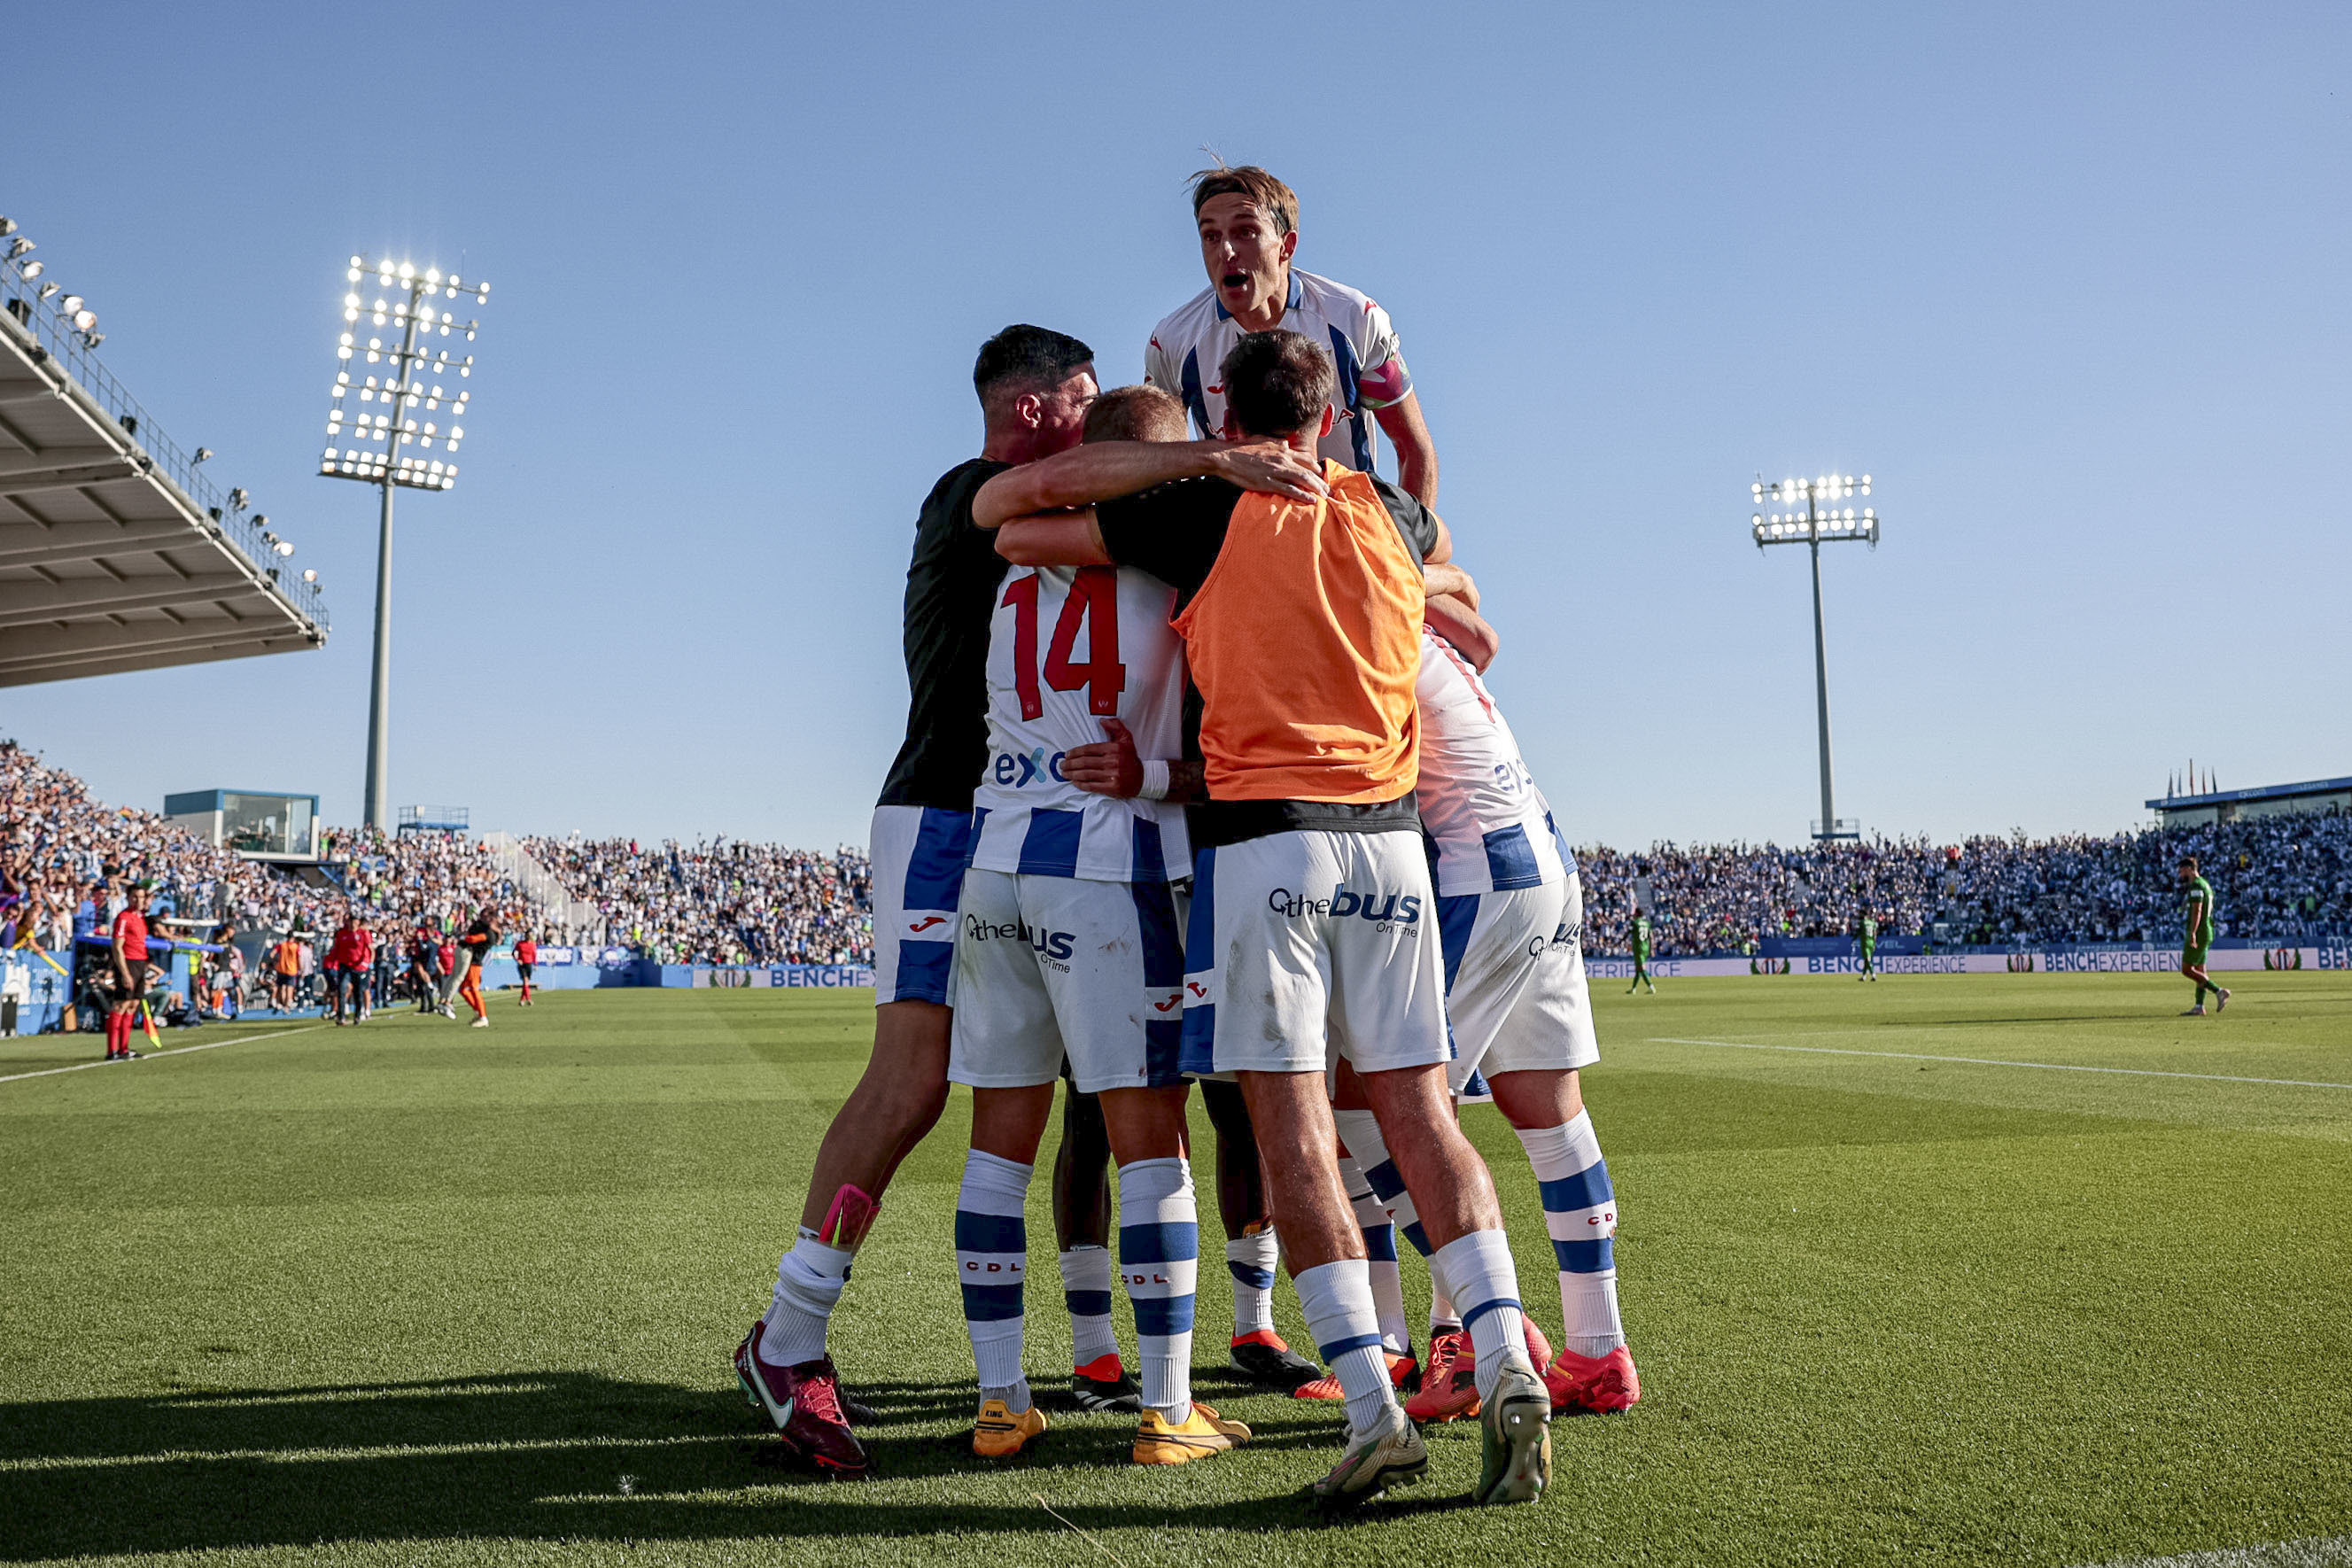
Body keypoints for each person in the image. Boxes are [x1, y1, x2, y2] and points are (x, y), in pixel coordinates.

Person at [994, 330, 1550, 1510]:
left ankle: (1371, 1409)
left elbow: (1020, 521)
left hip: (1263, 846)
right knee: (1416, 1110)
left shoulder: (1205, 512)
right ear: (1326, 412)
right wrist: (1444, 592)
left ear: (1227, 415)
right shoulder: (1386, 511)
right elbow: (1453, 564)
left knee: (1290, 1122)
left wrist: (1187, 468)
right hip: (1393, 846)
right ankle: (1504, 1351)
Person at [733, 325, 1104, 1480]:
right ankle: (786, 1340)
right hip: (941, 818)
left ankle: (810, 1339)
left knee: (986, 1082)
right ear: (1036, 407)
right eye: (1083, 403)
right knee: (909, 1080)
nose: (1091, 426)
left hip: (993, 826)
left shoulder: (1011, 497)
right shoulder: (972, 492)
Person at [939, 381, 1300, 1467]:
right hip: (1109, 865)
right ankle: (1166, 1409)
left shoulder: (1005, 545)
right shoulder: (1177, 554)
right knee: (1153, 1148)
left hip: (995, 861)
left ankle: (1002, 1405)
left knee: (998, 1153)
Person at [1146, 164, 1438, 503]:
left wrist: (1408, 547)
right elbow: (1154, 462)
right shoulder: (1172, 341)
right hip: (1238, 536)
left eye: (1245, 232)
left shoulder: (1354, 318)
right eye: (1211, 236)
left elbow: (1413, 447)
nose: (1226, 251)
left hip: (1343, 526)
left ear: (1287, 245)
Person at [105, 881, 155, 1060]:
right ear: (128, 897)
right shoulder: (123, 918)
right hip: (129, 963)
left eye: (141, 897)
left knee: (133, 1005)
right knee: (121, 1005)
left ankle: (124, 1049)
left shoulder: (140, 917)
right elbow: (117, 947)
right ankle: (111, 1051)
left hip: (140, 964)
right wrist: (124, 972)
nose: (139, 900)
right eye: (135, 896)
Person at [2177, 857, 2230, 1015]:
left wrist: (2193, 932)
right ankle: (2199, 1006)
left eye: (2181, 871)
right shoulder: (2205, 885)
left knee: (2187, 969)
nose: (2180, 875)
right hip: (2207, 929)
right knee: (2200, 969)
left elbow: (2197, 910)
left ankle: (2219, 991)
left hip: (2199, 931)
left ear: (2189, 869)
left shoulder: (2196, 886)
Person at [456, 907, 497, 1027]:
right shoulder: (481, 928)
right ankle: (478, 1012)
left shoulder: (488, 933)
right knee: (463, 989)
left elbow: (473, 939)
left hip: (475, 963)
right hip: (471, 962)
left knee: (474, 989)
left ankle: (483, 1017)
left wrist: (463, 938)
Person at [1626, 908, 1657, 994]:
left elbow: (1628, 933)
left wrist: (1620, 941)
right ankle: (1633, 989)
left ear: (1636, 913)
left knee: (1642, 969)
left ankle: (1651, 987)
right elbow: (1651, 937)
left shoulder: (1635, 923)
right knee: (1638, 969)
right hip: (1645, 948)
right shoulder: (1647, 923)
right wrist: (1651, 949)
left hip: (1638, 948)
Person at [515, 932, 538, 1006]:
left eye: (531, 935)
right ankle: (529, 999)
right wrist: (518, 959)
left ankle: (522, 1000)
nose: (529, 936)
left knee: (526, 983)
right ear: (525, 936)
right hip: (522, 965)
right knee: (525, 981)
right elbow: (514, 953)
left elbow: (534, 955)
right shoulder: (520, 944)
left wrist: (536, 964)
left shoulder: (533, 944)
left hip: (529, 964)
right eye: (528, 935)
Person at [1857, 910, 1879, 982]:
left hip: (1865, 943)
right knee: (1866, 960)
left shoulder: (1863, 922)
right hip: (1871, 942)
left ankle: (1873, 975)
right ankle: (1863, 976)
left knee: (1867, 960)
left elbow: (1858, 931)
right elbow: (1875, 934)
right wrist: (1874, 944)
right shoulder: (1873, 923)